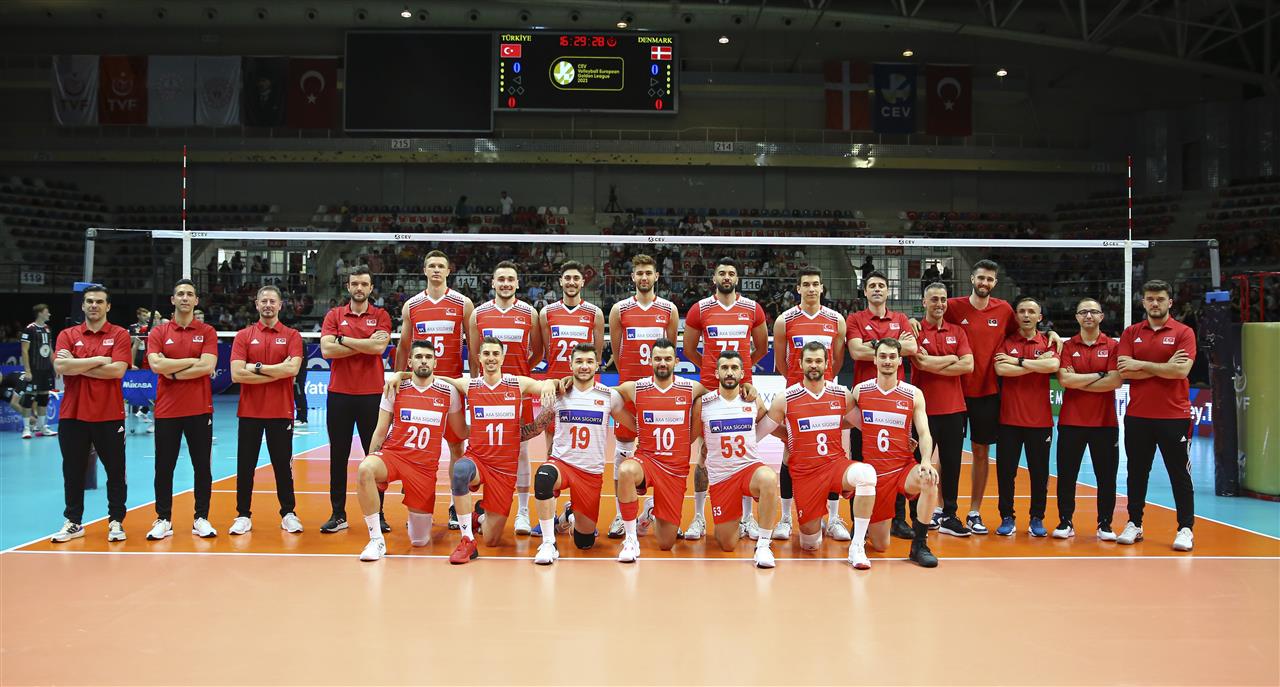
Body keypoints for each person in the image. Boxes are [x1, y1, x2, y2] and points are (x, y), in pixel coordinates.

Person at [759, 341, 879, 568]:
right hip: (805, 474)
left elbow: (865, 425)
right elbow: (762, 430)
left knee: (867, 474)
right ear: (800, 363)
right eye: (809, 361)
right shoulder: (786, 398)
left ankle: (857, 546)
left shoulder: (841, 394)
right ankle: (816, 522)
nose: (814, 365)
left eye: (818, 361)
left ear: (827, 364)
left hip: (835, 465)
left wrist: (901, 440)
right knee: (810, 544)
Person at [438, 337, 555, 564]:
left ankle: (478, 516)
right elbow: (439, 380)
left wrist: (549, 382)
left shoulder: (517, 383)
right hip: (478, 460)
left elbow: (544, 386)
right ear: (479, 359)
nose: (491, 358)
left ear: (502, 357)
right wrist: (402, 375)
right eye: (486, 354)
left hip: (504, 470)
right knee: (460, 470)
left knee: (492, 539)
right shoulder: (470, 385)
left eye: (495, 354)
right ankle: (467, 540)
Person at [356, 341, 468, 562]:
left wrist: (495, 424)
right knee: (365, 469)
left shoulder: (449, 392)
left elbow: (460, 431)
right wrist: (372, 457)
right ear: (410, 362)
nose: (423, 361)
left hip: (423, 469)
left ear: (435, 362)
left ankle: (414, 510)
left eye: (428, 357)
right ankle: (376, 540)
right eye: (418, 357)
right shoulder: (395, 388)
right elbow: (380, 431)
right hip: (394, 455)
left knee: (419, 540)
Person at [681, 256, 768, 540]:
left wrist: (741, 374)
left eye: (731, 273)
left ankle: (746, 518)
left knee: (744, 453)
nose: (726, 277)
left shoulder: (752, 308)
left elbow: (761, 348)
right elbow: (690, 350)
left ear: (737, 278)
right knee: (705, 453)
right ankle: (698, 517)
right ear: (714, 278)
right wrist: (713, 372)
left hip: (742, 388)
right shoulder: (700, 309)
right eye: (722, 273)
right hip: (710, 387)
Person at [530, 343, 636, 565]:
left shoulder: (609, 396)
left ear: (597, 365)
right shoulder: (559, 394)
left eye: (589, 362)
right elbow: (536, 427)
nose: (584, 366)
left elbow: (634, 426)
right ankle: (548, 543)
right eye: (579, 361)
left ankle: (568, 515)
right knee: (543, 477)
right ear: (570, 365)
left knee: (584, 542)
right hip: (562, 464)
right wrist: (508, 436)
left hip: (590, 474)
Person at [937, 259, 1018, 534]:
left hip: (987, 392)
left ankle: (974, 511)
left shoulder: (1004, 310)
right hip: (955, 391)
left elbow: (1022, 332)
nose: (985, 283)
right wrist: (912, 321)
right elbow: (931, 320)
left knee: (981, 451)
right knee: (946, 452)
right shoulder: (953, 307)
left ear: (995, 283)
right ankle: (941, 508)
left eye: (990, 279)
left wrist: (1051, 334)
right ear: (972, 278)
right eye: (981, 277)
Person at [612, 339, 712, 562]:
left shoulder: (691, 387)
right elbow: (606, 397)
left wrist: (748, 389)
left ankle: (649, 511)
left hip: (674, 469)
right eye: (657, 359)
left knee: (666, 543)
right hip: (647, 460)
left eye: (667, 359)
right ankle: (630, 539)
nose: (663, 363)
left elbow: (717, 398)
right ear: (650, 361)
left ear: (676, 361)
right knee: (626, 470)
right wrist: (635, 425)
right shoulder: (636, 387)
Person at [1116, 279, 1197, 551]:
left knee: (1179, 474)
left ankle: (1185, 528)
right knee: (1137, 473)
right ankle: (1134, 523)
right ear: (1143, 302)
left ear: (1170, 302)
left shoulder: (1184, 332)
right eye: (1150, 298)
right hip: (1138, 415)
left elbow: (1180, 371)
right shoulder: (1131, 333)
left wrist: (1140, 364)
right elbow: (1124, 371)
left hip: (1174, 415)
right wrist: (1163, 367)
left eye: (1160, 299)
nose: (1155, 303)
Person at [397, 250, 475, 529]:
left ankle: (455, 505)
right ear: (425, 270)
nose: (436, 270)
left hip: (451, 384)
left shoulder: (463, 303)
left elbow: (474, 348)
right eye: (431, 265)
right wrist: (399, 378)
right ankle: (419, 505)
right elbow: (404, 346)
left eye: (441, 265)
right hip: (420, 385)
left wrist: (475, 383)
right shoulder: (412, 305)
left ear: (448, 271)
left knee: (456, 446)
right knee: (417, 449)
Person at [605, 254, 679, 538]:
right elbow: (617, 350)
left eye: (649, 273)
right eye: (640, 273)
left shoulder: (669, 309)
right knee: (623, 450)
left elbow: (668, 351)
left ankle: (657, 509)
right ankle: (620, 514)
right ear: (633, 277)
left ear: (657, 276)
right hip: (629, 390)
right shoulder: (619, 310)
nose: (644, 277)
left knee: (662, 451)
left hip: (659, 391)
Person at [49, 285, 131, 543]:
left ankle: (116, 521)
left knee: (115, 471)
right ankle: (73, 522)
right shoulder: (67, 334)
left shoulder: (119, 334)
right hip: (73, 415)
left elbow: (117, 371)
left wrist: (76, 363)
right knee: (72, 471)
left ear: (108, 306)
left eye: (99, 301)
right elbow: (60, 367)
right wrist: (100, 360)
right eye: (89, 301)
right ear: (83, 306)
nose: (94, 305)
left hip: (109, 414)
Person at [770, 266, 846, 541]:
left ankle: (834, 518)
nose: (811, 289)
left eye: (816, 284)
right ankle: (786, 518)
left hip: (827, 396)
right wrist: (795, 383)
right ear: (798, 288)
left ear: (822, 287)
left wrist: (825, 381)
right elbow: (781, 362)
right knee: (789, 453)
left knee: (832, 454)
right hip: (796, 396)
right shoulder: (785, 320)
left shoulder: (836, 320)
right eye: (806, 284)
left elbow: (836, 361)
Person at [849, 338, 940, 568]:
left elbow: (925, 433)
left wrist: (926, 461)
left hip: (903, 468)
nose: (887, 361)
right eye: (883, 356)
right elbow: (846, 423)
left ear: (900, 361)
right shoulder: (860, 391)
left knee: (928, 479)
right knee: (881, 546)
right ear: (874, 359)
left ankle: (920, 544)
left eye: (892, 357)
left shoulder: (913, 394)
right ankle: (866, 523)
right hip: (874, 476)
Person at [469, 260, 544, 536]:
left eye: (510, 279)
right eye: (500, 279)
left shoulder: (529, 313)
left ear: (517, 283)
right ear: (493, 283)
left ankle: (523, 511)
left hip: (518, 393)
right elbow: (474, 354)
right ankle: (488, 507)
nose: (505, 284)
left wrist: (520, 374)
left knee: (521, 451)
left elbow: (538, 352)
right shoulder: (478, 314)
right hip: (487, 394)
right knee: (488, 450)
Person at [690, 351, 780, 568]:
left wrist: (792, 439)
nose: (729, 372)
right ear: (716, 373)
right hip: (722, 478)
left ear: (742, 373)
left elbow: (768, 424)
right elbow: (690, 436)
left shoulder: (753, 400)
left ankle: (763, 545)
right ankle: (736, 523)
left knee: (768, 478)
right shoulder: (704, 403)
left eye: (734, 368)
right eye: (724, 368)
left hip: (749, 468)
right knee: (727, 544)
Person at [320, 266, 393, 535]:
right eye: (355, 284)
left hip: (372, 396)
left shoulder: (381, 315)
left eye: (364, 284)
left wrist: (344, 340)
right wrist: (364, 343)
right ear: (348, 286)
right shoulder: (334, 315)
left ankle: (378, 514)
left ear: (371, 288)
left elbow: (378, 347)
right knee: (337, 456)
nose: (359, 288)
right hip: (339, 395)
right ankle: (338, 514)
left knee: (374, 458)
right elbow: (327, 350)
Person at [144, 279, 219, 540]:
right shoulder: (158, 332)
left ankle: (201, 518)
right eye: (180, 294)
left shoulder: (207, 331)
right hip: (167, 411)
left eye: (189, 294)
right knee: (164, 467)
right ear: (173, 299)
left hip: (199, 409)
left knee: (202, 467)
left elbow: (207, 366)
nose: (185, 298)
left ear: (196, 300)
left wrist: (172, 369)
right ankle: (163, 519)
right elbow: (156, 366)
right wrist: (191, 362)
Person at [847, 269, 917, 539]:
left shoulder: (900, 318)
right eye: (872, 285)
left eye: (881, 285)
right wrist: (893, 345)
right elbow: (856, 351)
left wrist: (873, 345)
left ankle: (897, 519)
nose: (877, 289)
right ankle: (859, 522)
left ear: (888, 291)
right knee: (860, 462)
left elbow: (911, 349)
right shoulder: (855, 318)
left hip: (896, 406)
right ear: (865, 291)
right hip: (864, 404)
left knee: (897, 462)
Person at [228, 286, 304, 536]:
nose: (268, 305)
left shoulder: (292, 335)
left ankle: (288, 513)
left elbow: (292, 370)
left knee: (283, 466)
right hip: (249, 412)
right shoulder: (244, 336)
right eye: (264, 301)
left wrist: (256, 367)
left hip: (280, 412)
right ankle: (242, 515)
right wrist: (276, 371)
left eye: (272, 301)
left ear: (280, 305)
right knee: (245, 466)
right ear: (257, 304)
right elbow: (237, 374)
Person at [1055, 297, 1122, 540]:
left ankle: (1105, 524)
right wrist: (1100, 375)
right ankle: (1065, 521)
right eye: (1083, 312)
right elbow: (1065, 380)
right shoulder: (1067, 346)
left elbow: (1115, 381)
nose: (1088, 316)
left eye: (1093, 312)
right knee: (1067, 476)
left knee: (1106, 477)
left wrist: (1080, 380)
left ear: (1102, 316)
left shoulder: (1113, 346)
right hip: (1071, 422)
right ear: (1077, 317)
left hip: (1105, 423)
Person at [993, 297, 1060, 537]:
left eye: (1031, 311)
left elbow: (1052, 366)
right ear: (1016, 316)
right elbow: (1001, 369)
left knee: (1039, 473)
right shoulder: (1006, 341)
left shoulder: (1048, 342)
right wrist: (1034, 364)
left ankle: (1037, 518)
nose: (1026, 315)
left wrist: (1018, 362)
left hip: (1040, 422)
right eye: (1021, 311)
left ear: (1039, 317)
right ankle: (1007, 516)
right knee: (1006, 473)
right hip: (1008, 420)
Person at [911, 283, 974, 536]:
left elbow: (968, 365)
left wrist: (934, 362)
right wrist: (951, 358)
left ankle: (949, 515)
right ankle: (917, 516)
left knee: (951, 464)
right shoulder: (914, 330)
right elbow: (920, 363)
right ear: (924, 302)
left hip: (954, 409)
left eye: (943, 299)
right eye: (934, 299)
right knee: (918, 463)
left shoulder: (957, 331)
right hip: (922, 411)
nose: (939, 304)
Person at [19, 303, 56, 438]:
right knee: (29, 397)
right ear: (40, 313)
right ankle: (26, 429)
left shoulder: (47, 329)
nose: (49, 314)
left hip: (46, 369)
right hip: (34, 369)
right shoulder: (29, 329)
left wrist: (55, 366)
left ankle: (42, 427)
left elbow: (50, 349)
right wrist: (27, 370)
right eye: (47, 312)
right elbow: (24, 350)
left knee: (44, 397)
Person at [128, 306, 155, 433]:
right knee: (148, 395)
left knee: (157, 396)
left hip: (161, 366)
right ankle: (145, 414)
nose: (150, 320)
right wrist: (131, 363)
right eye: (148, 318)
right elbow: (135, 346)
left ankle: (152, 419)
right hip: (146, 366)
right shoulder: (144, 330)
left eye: (153, 318)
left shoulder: (165, 329)